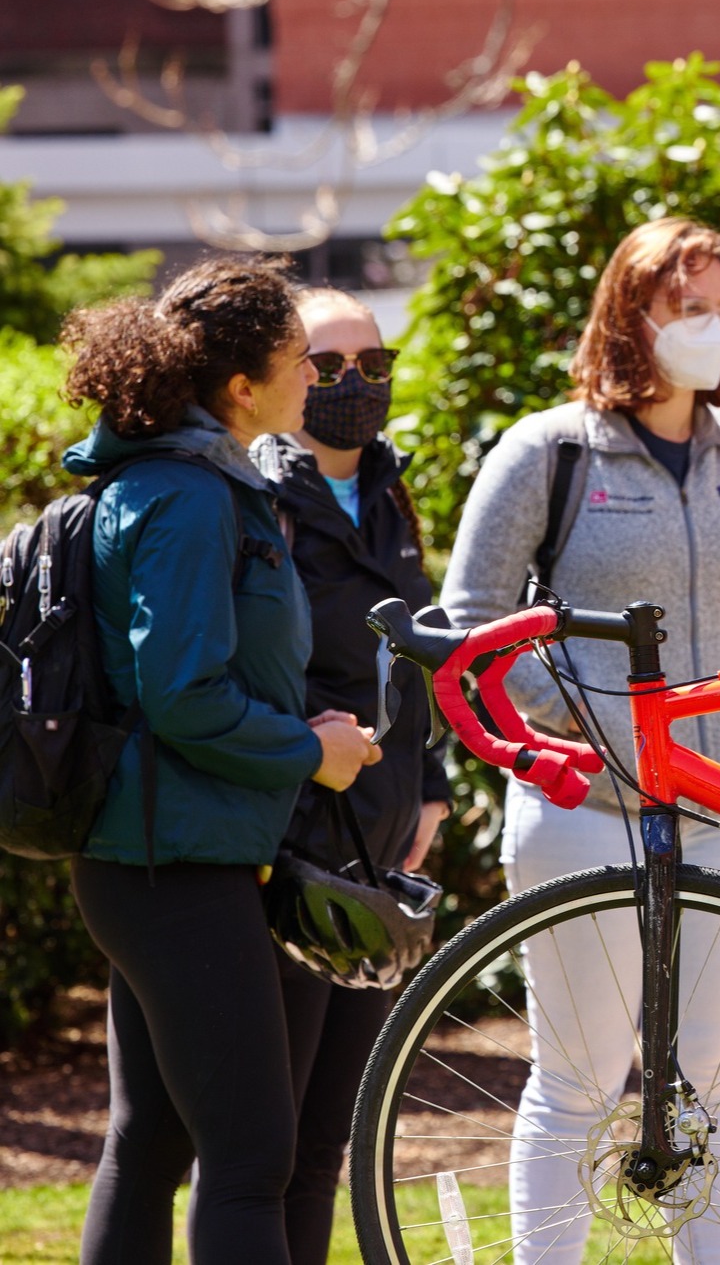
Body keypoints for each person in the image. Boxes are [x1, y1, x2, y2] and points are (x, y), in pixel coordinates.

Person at [441, 216, 720, 1262]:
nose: (711, 325)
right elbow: (470, 628)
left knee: (707, 1082)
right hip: (585, 810)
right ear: (630, 314)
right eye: (684, 306)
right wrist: (592, 723)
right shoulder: (549, 451)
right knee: (577, 1080)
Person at [60, 257, 381, 1265]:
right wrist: (309, 752)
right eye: (301, 361)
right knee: (250, 1160)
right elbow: (180, 690)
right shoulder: (188, 497)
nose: (318, 381)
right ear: (242, 386)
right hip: (171, 865)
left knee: (152, 1141)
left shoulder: (192, 481)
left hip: (166, 855)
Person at [249, 287, 451, 1263]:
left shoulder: (391, 487)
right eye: (326, 366)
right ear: (288, 374)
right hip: (287, 844)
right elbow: (240, 667)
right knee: (265, 1135)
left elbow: (419, 652)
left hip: (378, 842)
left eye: (372, 364)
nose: (352, 384)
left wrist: (437, 788)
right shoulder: (259, 495)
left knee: (331, 1131)